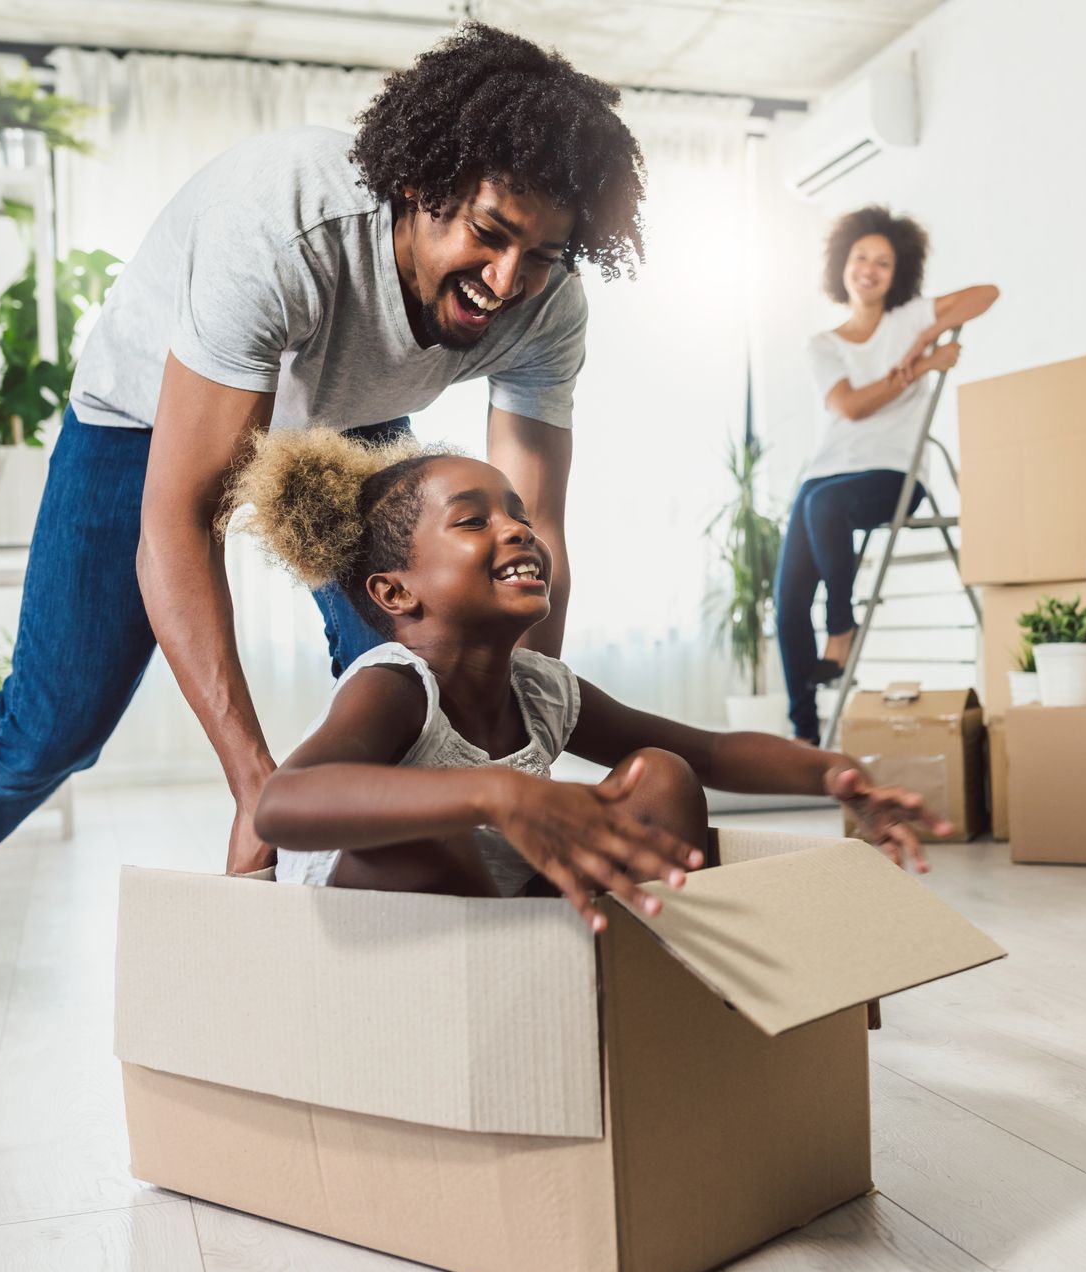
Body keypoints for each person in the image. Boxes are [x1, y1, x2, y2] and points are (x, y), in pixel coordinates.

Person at [0, 25, 645, 1029]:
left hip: (352, 419)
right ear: (425, 186)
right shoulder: (286, 224)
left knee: (426, 651)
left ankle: (404, 944)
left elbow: (532, 536)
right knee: (54, 723)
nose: (508, 280)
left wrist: (522, 750)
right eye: (489, 232)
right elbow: (181, 517)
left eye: (543, 253)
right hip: (146, 422)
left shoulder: (547, 304)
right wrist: (256, 787)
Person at [238, 429, 949, 930]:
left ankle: (636, 983)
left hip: (504, 909)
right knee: (437, 831)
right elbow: (281, 804)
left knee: (661, 776)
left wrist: (833, 772)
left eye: (518, 514)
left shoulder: (540, 689)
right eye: (473, 521)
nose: (517, 530)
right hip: (371, 921)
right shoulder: (394, 685)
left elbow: (710, 753)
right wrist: (496, 790)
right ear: (396, 594)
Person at [773, 206, 998, 744]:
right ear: (842, 265)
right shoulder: (823, 344)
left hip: (892, 476)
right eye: (860, 258)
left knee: (822, 504)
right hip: (825, 475)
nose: (869, 269)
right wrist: (922, 368)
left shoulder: (909, 317)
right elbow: (849, 407)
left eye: (883, 261)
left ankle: (842, 628)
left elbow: (986, 293)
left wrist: (926, 336)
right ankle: (804, 736)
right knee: (787, 604)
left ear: (899, 273)